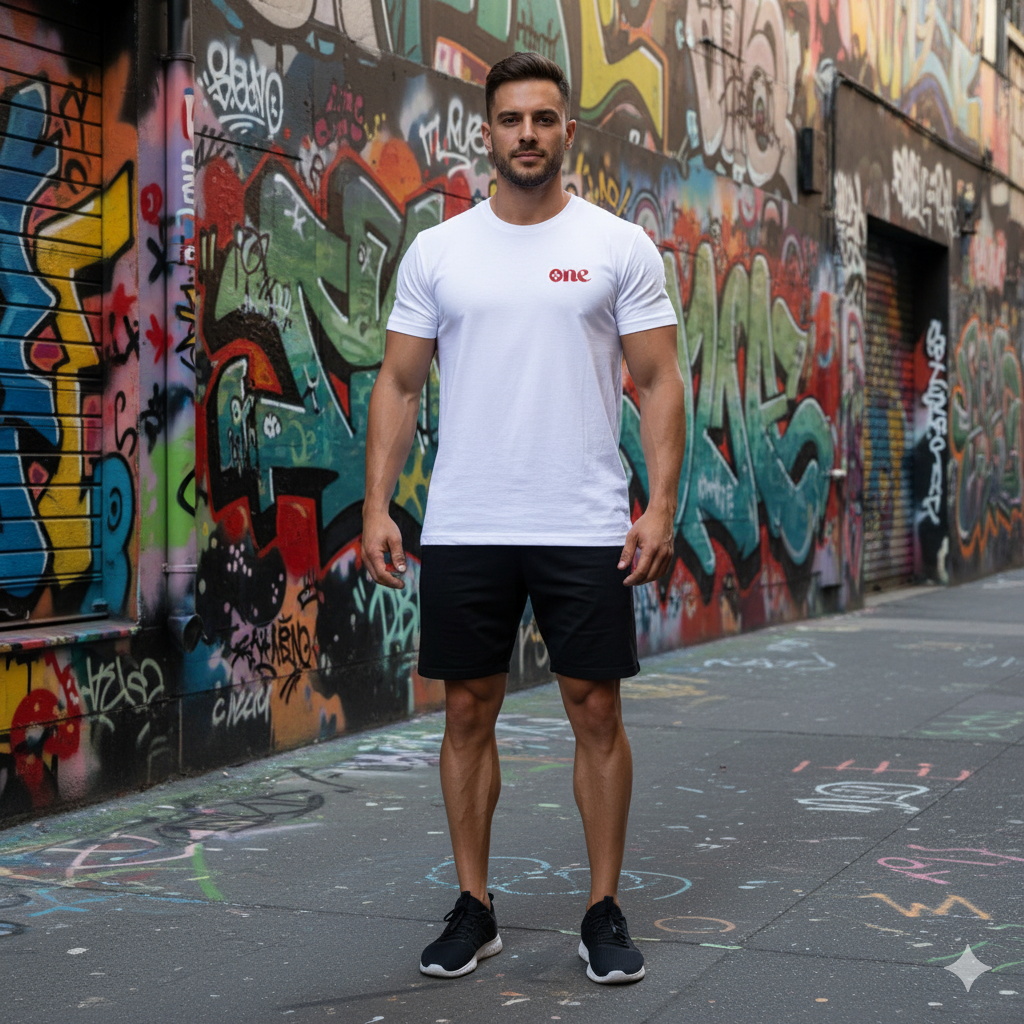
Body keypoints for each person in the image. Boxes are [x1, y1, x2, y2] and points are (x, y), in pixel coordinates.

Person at [362, 51, 686, 985]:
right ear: (488, 132)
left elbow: (660, 382)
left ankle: (602, 907)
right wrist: (380, 505)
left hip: (584, 519)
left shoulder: (619, 245)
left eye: (544, 119)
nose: (528, 135)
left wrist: (658, 506)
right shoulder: (439, 250)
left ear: (567, 131)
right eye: (512, 120)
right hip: (467, 519)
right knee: (467, 711)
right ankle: (476, 905)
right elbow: (397, 381)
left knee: (596, 709)